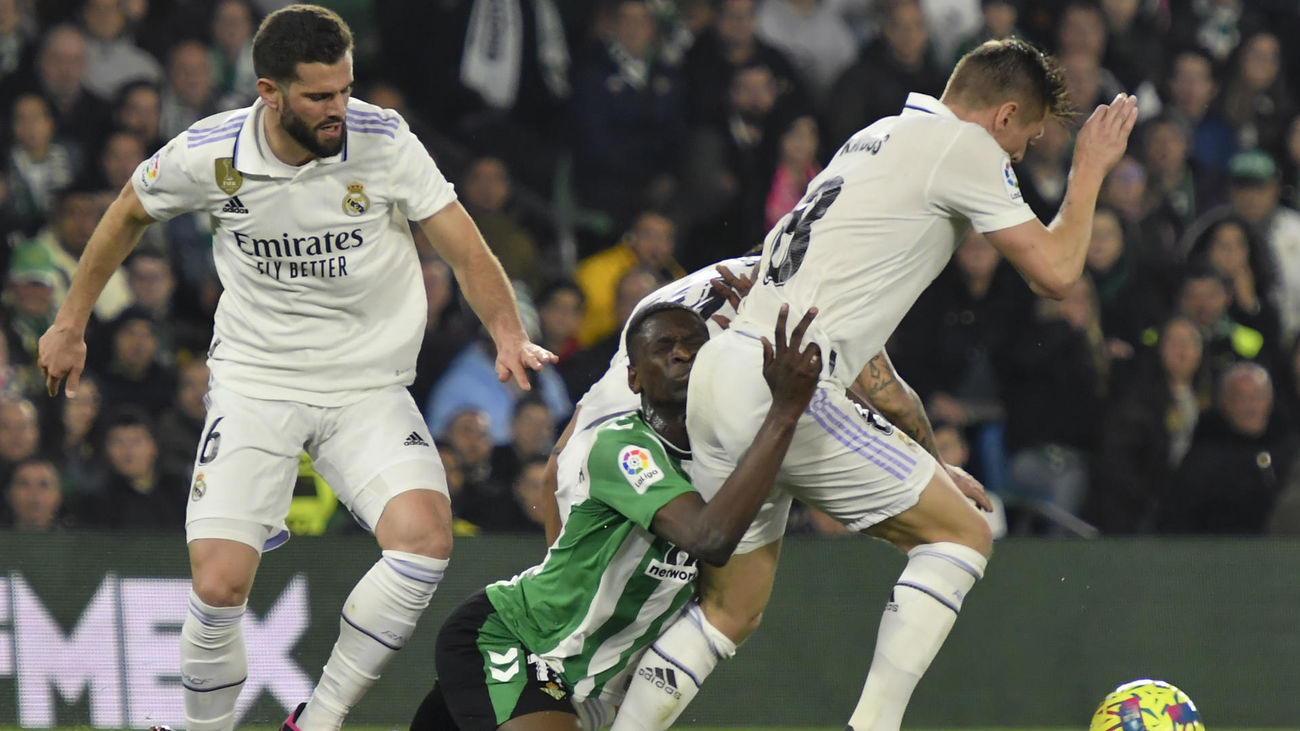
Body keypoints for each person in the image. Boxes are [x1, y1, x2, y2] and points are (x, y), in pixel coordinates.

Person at [35, 7, 553, 731]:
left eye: (344, 89)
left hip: (368, 387)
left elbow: (465, 247)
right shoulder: (213, 152)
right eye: (319, 96)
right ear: (269, 92)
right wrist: (70, 320)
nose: (339, 108)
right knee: (218, 587)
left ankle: (318, 720)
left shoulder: (383, 141)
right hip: (256, 381)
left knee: (426, 542)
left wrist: (506, 331)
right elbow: (127, 210)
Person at [611, 38, 1138, 731]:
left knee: (729, 610)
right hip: (789, 385)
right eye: (1025, 142)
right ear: (1005, 117)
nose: (1014, 162)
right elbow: (1058, 272)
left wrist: (926, 462)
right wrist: (1091, 167)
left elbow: (869, 366)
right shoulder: (964, 148)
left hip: (727, 371)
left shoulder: (873, 138)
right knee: (963, 533)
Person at [411, 302, 821, 731]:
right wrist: (784, 412)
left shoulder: (724, 464)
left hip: (584, 683)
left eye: (695, 346)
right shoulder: (624, 448)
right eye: (664, 347)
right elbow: (708, 539)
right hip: (515, 640)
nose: (682, 354)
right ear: (634, 377)